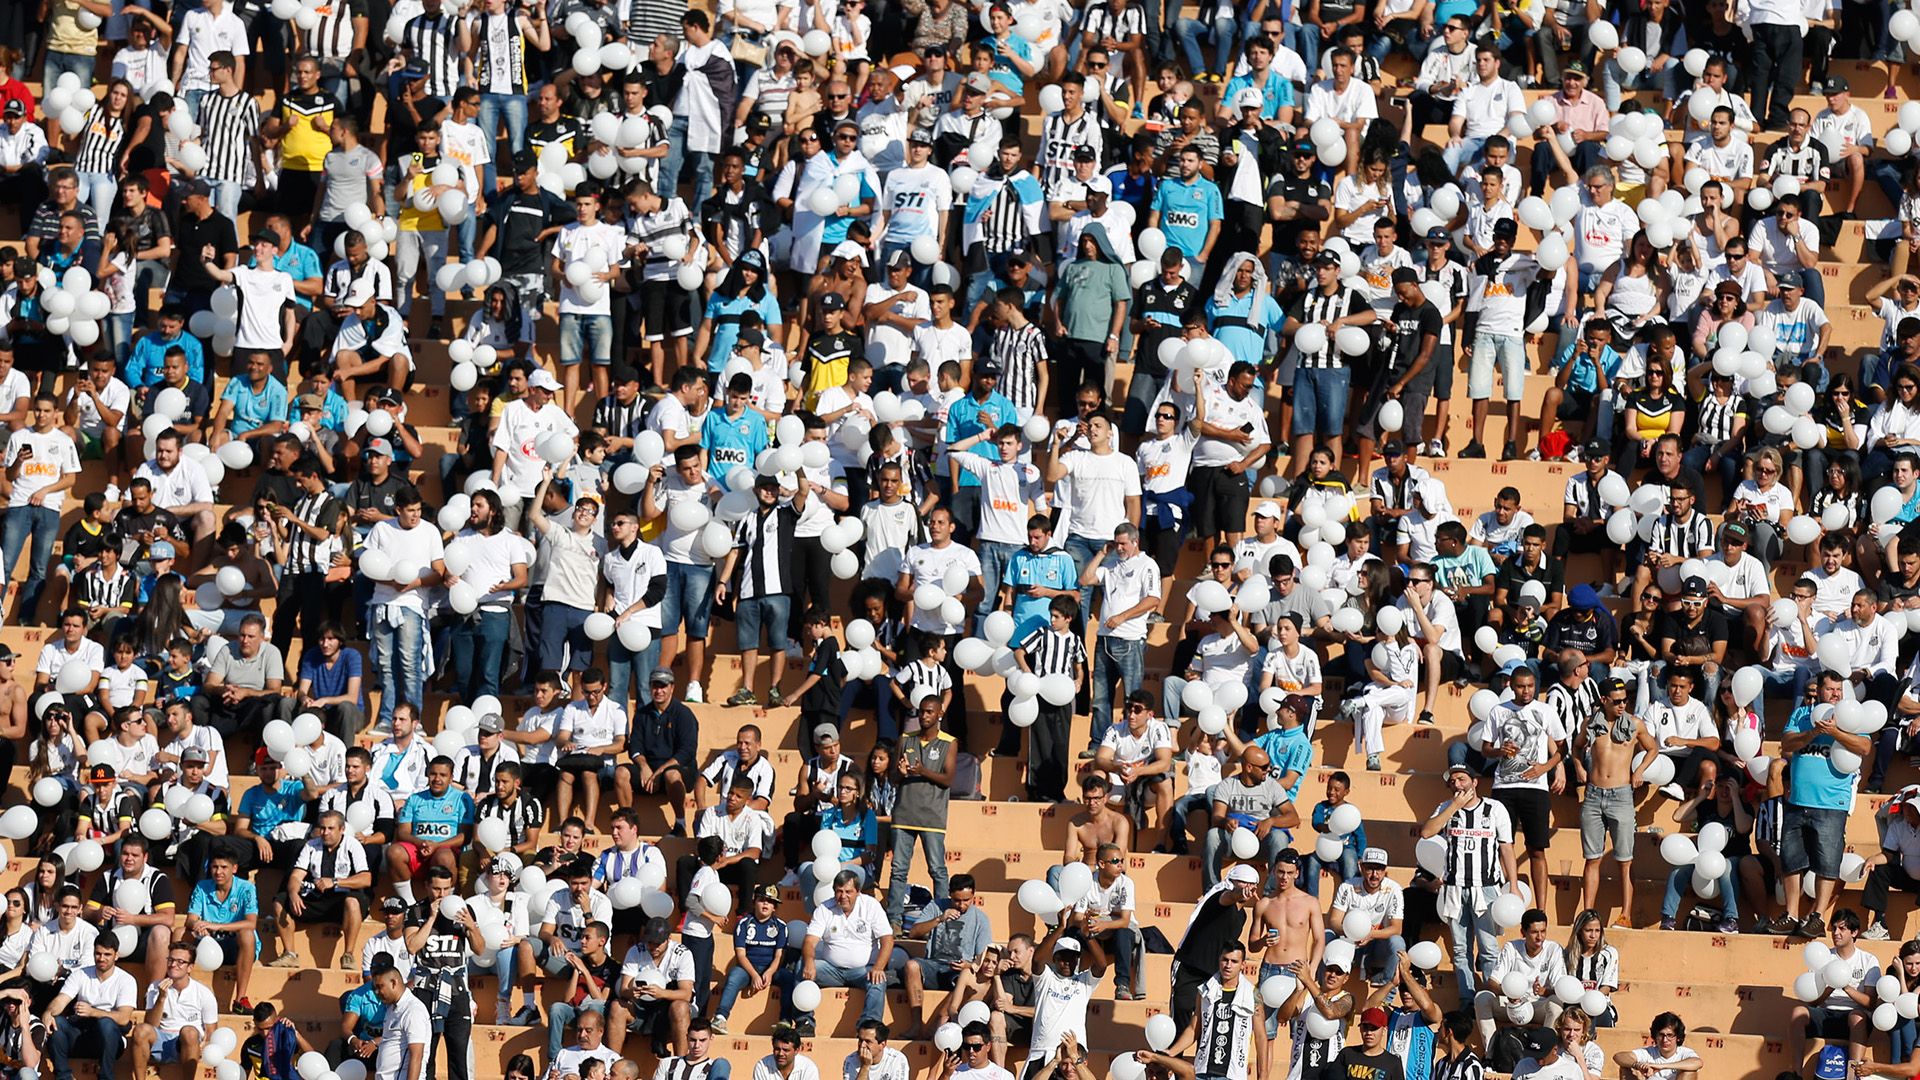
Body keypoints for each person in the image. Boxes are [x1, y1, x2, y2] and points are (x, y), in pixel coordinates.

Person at [39, 938, 137, 1080]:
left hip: (109, 1040)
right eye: (98, 953)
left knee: (106, 1023)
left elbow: (123, 1018)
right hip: (80, 1033)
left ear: (116, 955)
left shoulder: (126, 980)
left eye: (107, 954)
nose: (101, 958)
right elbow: (61, 999)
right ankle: (64, 1077)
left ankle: (106, 1077)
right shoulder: (80, 974)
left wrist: (93, 1012)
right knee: (57, 1022)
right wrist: (48, 1013)